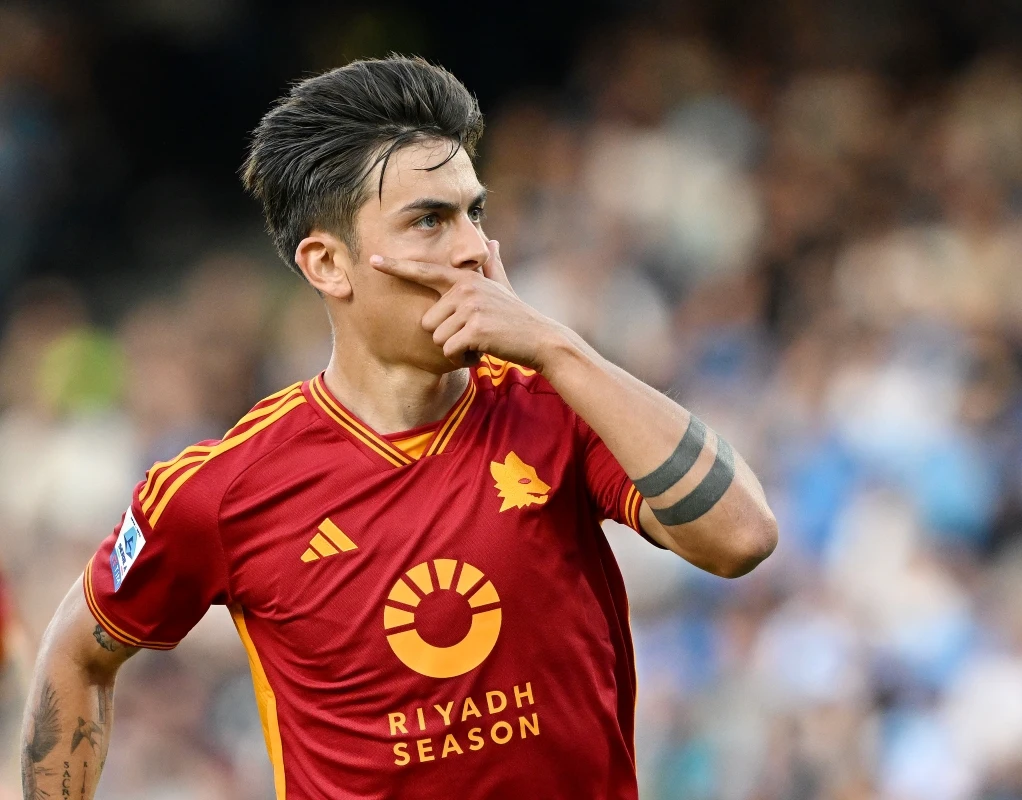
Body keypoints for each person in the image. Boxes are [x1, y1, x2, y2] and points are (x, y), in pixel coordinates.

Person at [19, 55, 777, 800]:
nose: (472, 247)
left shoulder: (558, 399)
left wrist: (555, 344)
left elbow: (743, 538)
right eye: (429, 220)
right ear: (328, 264)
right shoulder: (221, 488)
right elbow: (76, 656)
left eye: (475, 212)